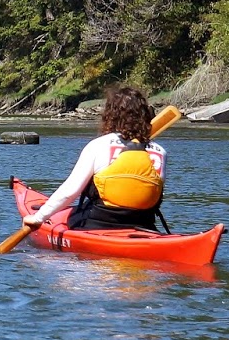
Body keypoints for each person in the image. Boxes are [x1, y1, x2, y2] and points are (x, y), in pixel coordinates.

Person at [24, 86, 166, 231]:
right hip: (144, 224)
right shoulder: (160, 151)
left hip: (99, 223)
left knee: (72, 215)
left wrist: (38, 218)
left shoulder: (98, 146)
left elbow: (70, 191)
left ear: (110, 114)